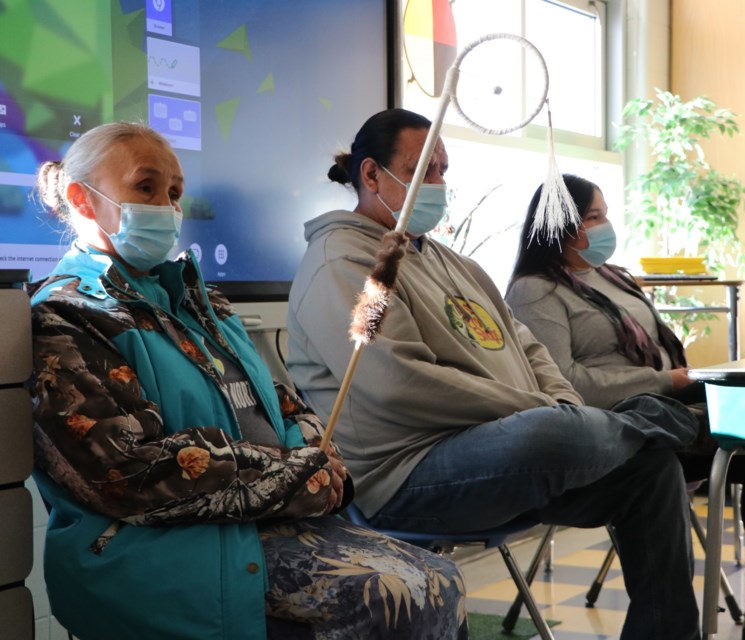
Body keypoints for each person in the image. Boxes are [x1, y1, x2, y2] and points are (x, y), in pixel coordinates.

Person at [29, 121, 467, 640]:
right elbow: (127, 475)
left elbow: (281, 404)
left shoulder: (202, 301)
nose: (166, 207)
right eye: (145, 187)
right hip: (148, 549)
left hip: (260, 526)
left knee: (441, 579)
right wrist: (294, 475)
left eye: (173, 193)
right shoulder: (66, 315)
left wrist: (318, 460)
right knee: (386, 598)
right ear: (82, 198)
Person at [286, 108, 705, 639]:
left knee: (651, 470)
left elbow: (526, 343)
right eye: (425, 171)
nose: (440, 184)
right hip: (406, 472)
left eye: (442, 169)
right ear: (371, 176)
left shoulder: (449, 261)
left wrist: (560, 404)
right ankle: (676, 424)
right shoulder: (341, 263)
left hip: (503, 449)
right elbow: (396, 382)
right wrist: (542, 411)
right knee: (553, 430)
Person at [505, 173, 745, 640]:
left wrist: (679, 380)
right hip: (618, 424)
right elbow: (563, 384)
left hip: (667, 402)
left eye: (605, 214)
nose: (605, 226)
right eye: (593, 217)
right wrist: (664, 380)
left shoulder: (613, 277)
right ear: (560, 226)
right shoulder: (536, 291)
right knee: (740, 432)